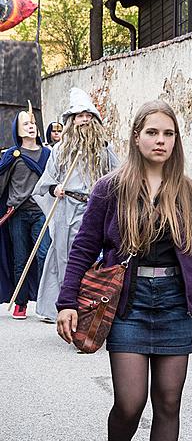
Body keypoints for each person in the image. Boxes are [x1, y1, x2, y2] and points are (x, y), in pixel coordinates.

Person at [56, 100, 192, 441]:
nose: (160, 141)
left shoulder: (189, 194)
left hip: (173, 307)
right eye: (152, 133)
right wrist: (67, 301)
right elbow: (84, 247)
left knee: (169, 403)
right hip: (127, 302)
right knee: (129, 402)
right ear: (136, 136)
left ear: (175, 140)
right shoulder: (111, 189)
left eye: (167, 134)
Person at [32, 87, 119, 322]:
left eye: (88, 116)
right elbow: (45, 184)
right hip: (66, 210)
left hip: (94, 209)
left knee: (93, 261)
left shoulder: (104, 149)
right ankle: (66, 309)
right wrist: (55, 189)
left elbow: (119, 177)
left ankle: (91, 310)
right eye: (80, 116)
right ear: (72, 120)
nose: (84, 120)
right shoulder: (60, 150)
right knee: (65, 259)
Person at [0, 101, 51, 318]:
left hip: (41, 212)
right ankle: (20, 302)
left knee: (43, 255)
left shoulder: (48, 154)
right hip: (18, 213)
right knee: (20, 258)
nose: (31, 126)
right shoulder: (13, 155)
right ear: (17, 129)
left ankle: (43, 301)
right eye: (25, 123)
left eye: (33, 122)